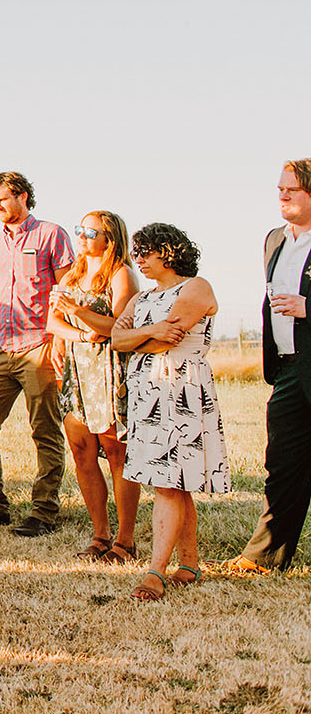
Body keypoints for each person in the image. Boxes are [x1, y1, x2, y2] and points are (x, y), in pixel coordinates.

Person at [112, 223, 229, 601]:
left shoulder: (195, 287)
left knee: (167, 483)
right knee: (171, 481)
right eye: (137, 251)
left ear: (171, 251)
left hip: (181, 386)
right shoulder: (142, 297)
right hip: (147, 391)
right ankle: (189, 564)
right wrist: (155, 331)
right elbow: (116, 339)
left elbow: (169, 341)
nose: (139, 258)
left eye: (147, 250)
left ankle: (155, 572)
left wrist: (144, 337)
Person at [0, 171, 73, 536]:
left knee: (45, 430)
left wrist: (59, 340)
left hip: (39, 345)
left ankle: (44, 512)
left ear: (22, 195)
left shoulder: (51, 235)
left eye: (2, 200)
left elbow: (67, 292)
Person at [224, 159, 311, 574]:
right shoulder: (274, 240)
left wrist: (307, 307)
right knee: (283, 463)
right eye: (280, 188)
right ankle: (264, 557)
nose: (282, 195)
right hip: (290, 370)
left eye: (291, 189)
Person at [47, 210, 139, 563]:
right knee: (82, 451)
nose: (82, 237)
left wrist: (80, 312)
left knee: (117, 453)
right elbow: (53, 321)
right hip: (76, 369)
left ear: (110, 238)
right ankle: (100, 533)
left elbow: (117, 325)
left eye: (90, 231)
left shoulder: (121, 275)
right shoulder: (74, 272)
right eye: (79, 230)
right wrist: (83, 333)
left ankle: (125, 540)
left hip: (108, 371)